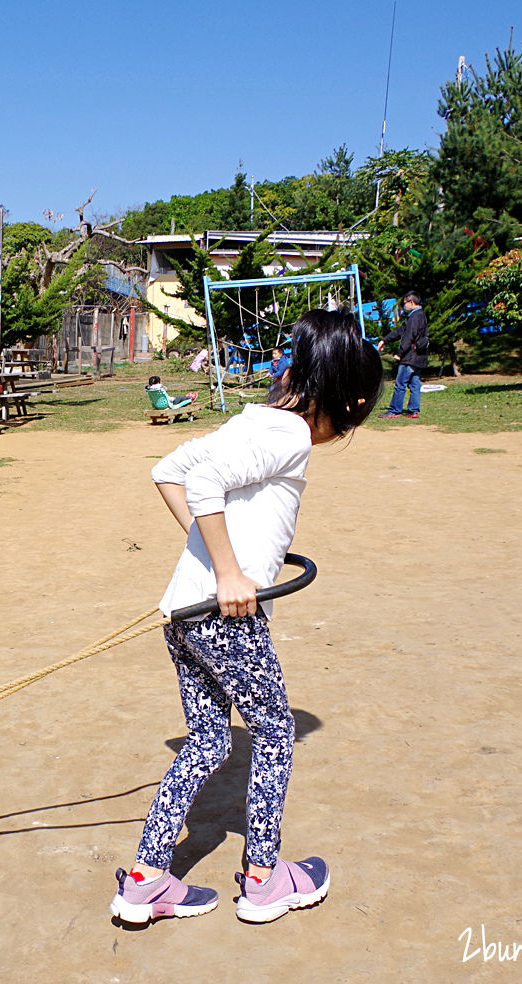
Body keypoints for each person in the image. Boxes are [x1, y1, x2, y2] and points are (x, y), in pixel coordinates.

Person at [110, 309, 383, 926]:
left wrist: (213, 554)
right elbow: (201, 483)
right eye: (348, 421)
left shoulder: (252, 421)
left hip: (183, 612)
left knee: (207, 740)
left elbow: (168, 471)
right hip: (222, 617)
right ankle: (263, 881)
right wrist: (229, 572)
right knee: (277, 732)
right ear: (343, 403)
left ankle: (145, 882)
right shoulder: (287, 433)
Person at [378, 292, 429, 418]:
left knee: (400, 384)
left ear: (412, 302)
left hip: (409, 357)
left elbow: (408, 337)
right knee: (415, 383)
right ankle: (413, 410)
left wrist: (400, 354)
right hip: (419, 358)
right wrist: (385, 340)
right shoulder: (419, 316)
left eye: (405, 303)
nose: (404, 305)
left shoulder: (415, 317)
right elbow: (401, 331)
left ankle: (395, 410)